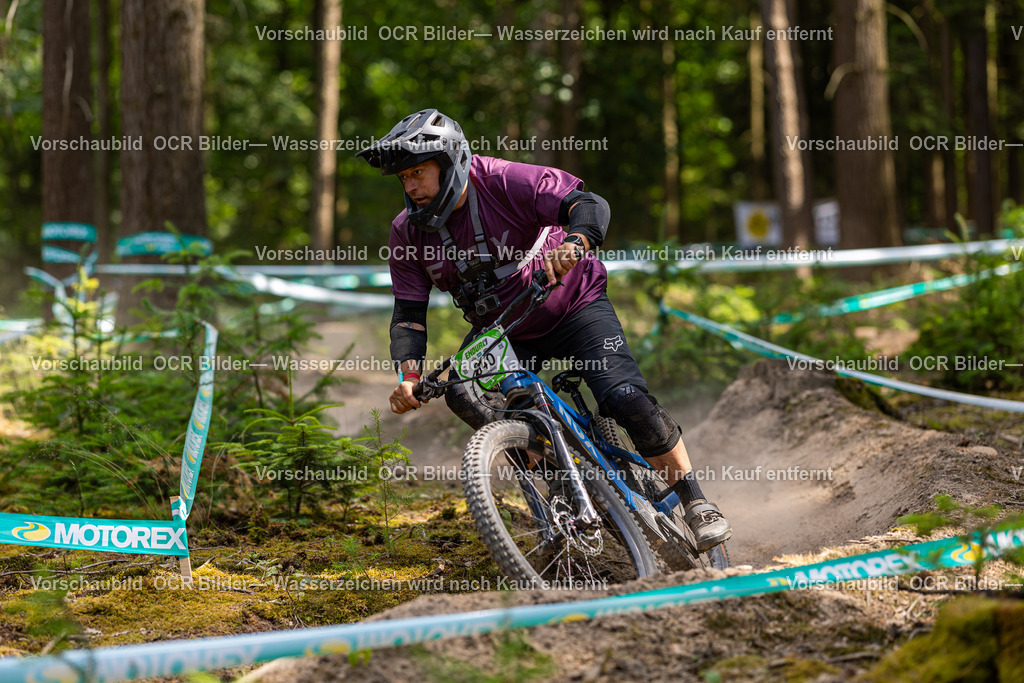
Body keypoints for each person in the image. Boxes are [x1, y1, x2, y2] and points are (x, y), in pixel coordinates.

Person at [357, 109, 731, 551]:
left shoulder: (502, 180)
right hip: (504, 330)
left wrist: (575, 243)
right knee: (464, 393)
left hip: (575, 304)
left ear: (452, 161)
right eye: (403, 179)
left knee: (624, 397)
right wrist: (409, 377)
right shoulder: (407, 233)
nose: (411, 187)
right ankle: (562, 487)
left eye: (418, 172)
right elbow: (408, 314)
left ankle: (695, 501)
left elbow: (588, 205)